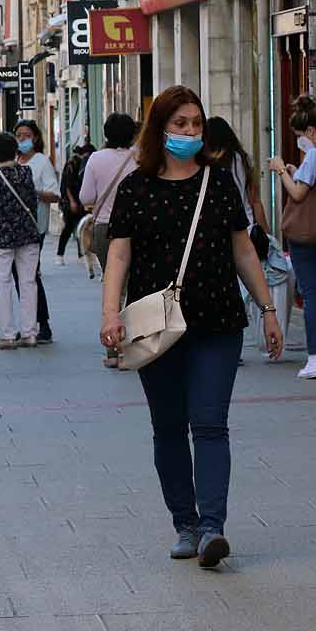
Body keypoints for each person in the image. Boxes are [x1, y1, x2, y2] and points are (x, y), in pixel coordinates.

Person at [100, 86, 283, 568]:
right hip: (153, 324)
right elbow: (119, 253)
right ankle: (184, 521)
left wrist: (267, 309)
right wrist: (109, 313)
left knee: (209, 423)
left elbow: (242, 249)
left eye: (196, 124)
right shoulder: (136, 187)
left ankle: (211, 529)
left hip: (217, 320)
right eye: (180, 124)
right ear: (160, 128)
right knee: (168, 427)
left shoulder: (218, 182)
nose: (189, 133)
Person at [269, 95, 316, 379]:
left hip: (304, 236)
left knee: (311, 294)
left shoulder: (314, 154)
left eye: (301, 135)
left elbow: (299, 193)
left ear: (311, 131)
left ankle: (313, 357)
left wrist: (280, 170)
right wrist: (294, 171)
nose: (301, 141)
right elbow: (314, 185)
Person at [207, 116, 270, 363]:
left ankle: (227, 341)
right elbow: (255, 200)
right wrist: (264, 230)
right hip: (245, 228)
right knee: (241, 288)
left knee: (225, 286)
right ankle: (236, 341)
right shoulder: (244, 160)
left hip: (219, 232)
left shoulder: (211, 164)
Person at [79, 114, 140, 366]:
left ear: (106, 134)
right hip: (138, 228)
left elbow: (86, 196)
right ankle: (134, 346)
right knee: (137, 287)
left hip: (106, 229)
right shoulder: (139, 157)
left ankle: (113, 349)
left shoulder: (96, 158)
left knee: (114, 286)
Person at [0, 131, 42, 349]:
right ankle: (30, 333)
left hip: (2, 237)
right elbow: (31, 201)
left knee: (3, 283)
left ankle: (7, 335)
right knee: (28, 282)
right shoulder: (26, 172)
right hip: (28, 234)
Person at [13, 119, 59, 343]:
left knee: (29, 275)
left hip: (34, 226)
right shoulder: (12, 161)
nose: (22, 139)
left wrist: (33, 192)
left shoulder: (42, 162)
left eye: (26, 135)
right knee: (19, 275)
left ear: (36, 138)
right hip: (12, 227)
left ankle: (42, 324)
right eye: (19, 135)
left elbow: (54, 194)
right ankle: (29, 323)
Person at [55, 140, 94, 266]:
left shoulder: (83, 163)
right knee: (68, 228)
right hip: (70, 201)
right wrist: (72, 201)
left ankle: (81, 255)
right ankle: (59, 255)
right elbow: (67, 183)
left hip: (80, 200)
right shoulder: (73, 163)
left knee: (80, 229)